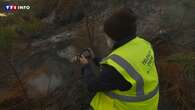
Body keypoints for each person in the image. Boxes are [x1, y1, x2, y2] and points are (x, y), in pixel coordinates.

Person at [78, 7, 159, 110]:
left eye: (107, 36)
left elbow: (92, 85)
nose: (106, 39)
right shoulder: (143, 44)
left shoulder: (115, 69)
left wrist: (86, 66)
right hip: (148, 104)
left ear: (116, 38)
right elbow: (126, 66)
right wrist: (95, 59)